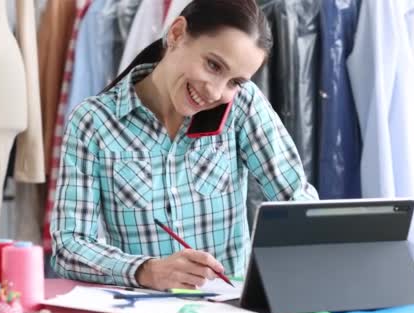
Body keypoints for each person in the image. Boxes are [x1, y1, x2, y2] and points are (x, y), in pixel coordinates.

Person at [51, 0, 318, 291]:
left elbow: (297, 203)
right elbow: (69, 246)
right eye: (213, 65)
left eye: (235, 82)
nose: (216, 91)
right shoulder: (94, 122)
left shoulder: (243, 106)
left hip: (227, 311)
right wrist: (149, 271)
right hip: (142, 310)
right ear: (177, 34)